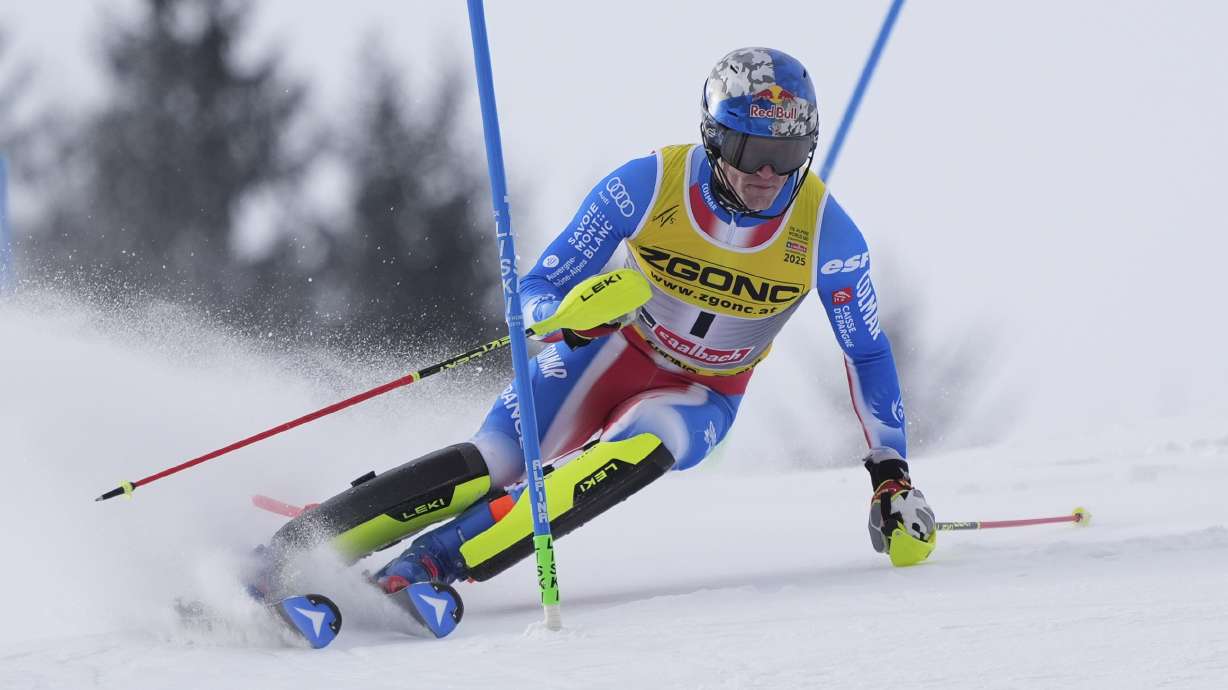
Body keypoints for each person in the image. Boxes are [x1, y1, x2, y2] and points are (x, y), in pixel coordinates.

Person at [256, 47, 936, 619]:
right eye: (753, 149)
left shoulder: (826, 232)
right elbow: (537, 289)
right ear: (715, 137)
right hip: (608, 351)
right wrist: (559, 318)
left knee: (644, 445)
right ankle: (292, 551)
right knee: (496, 459)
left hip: (703, 392)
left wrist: (891, 475)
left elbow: (866, 350)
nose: (767, 174)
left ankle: (426, 568)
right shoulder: (648, 183)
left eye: (787, 154)